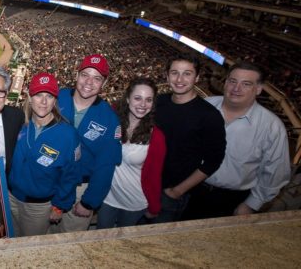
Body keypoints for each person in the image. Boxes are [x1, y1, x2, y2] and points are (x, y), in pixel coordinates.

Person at [182, 62, 290, 219]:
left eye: (246, 84)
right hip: (186, 187)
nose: (236, 88)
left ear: (259, 89)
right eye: (232, 81)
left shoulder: (272, 127)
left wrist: (251, 204)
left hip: (229, 200)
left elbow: (275, 173)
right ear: (225, 83)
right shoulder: (203, 106)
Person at [152, 53, 226, 223]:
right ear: (166, 75)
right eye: (174, 72)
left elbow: (213, 161)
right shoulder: (158, 102)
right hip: (145, 184)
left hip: (170, 193)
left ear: (197, 77)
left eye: (187, 73)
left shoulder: (209, 115)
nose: (179, 79)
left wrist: (177, 191)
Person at [53, 54, 122, 233]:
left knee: (71, 243)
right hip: (49, 181)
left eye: (97, 78)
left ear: (104, 84)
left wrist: (89, 201)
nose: (89, 82)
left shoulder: (109, 118)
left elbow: (106, 166)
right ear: (76, 75)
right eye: (85, 75)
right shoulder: (56, 98)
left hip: (79, 190)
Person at [8, 72, 81, 237]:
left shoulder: (68, 134)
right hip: (10, 198)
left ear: (55, 100)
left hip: (38, 207)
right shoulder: (19, 123)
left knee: (30, 247)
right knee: (10, 240)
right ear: (30, 97)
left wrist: (59, 205)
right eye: (38, 95)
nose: (43, 101)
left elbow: (70, 175)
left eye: (49, 96)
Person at [97, 78, 166, 229]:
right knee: (100, 236)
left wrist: (154, 206)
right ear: (128, 99)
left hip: (134, 201)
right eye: (137, 98)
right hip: (107, 196)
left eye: (148, 100)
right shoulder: (111, 120)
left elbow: (154, 175)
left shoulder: (156, 136)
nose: (142, 104)